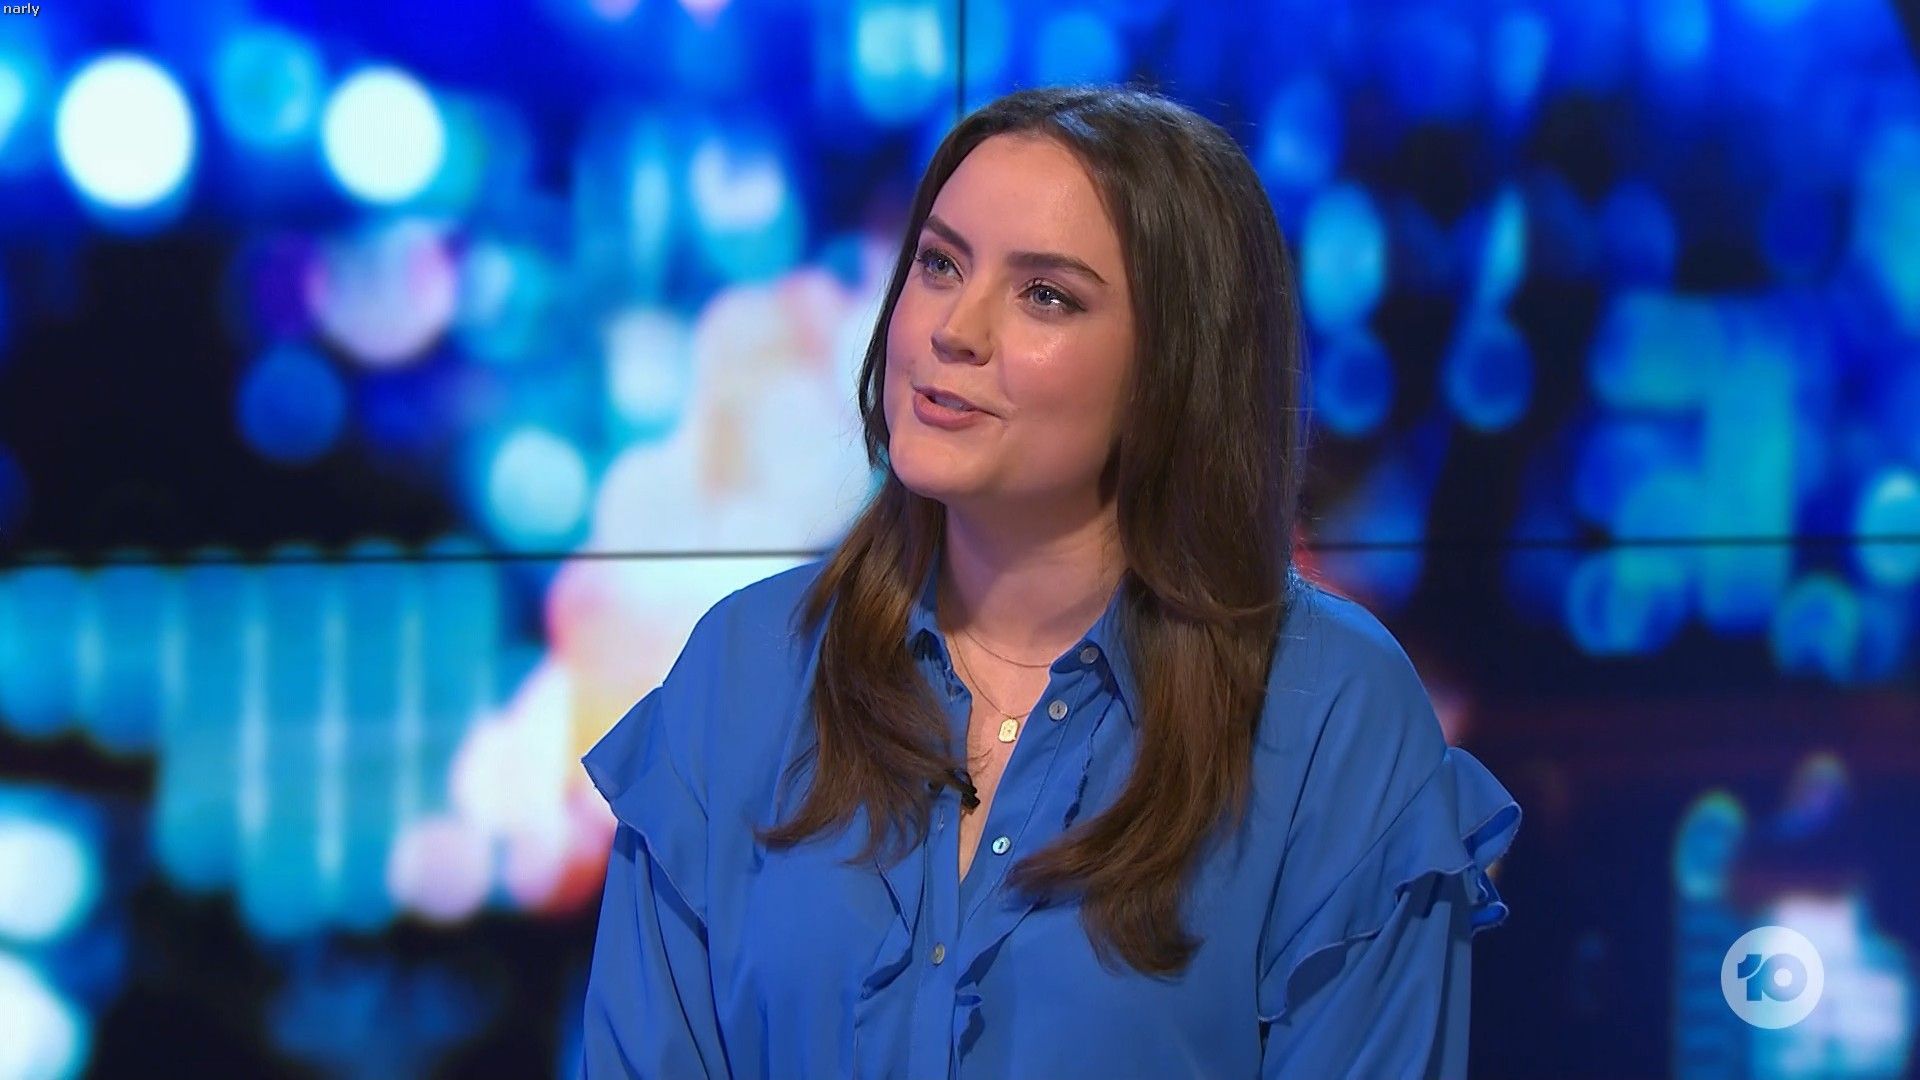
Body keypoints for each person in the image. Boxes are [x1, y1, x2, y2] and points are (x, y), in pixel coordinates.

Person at [577, 83, 1522, 1079]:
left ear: (1176, 366)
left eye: (1046, 295)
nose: (955, 328)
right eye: (940, 264)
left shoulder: (1333, 710)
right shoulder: (744, 668)